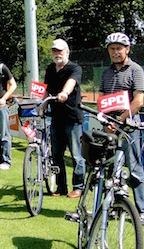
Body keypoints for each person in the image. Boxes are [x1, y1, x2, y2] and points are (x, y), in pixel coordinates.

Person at [99, 32, 144, 225]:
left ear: (127, 49)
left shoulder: (135, 70)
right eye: (112, 49)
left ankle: (143, 211)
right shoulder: (106, 72)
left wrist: (119, 120)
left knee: (134, 169)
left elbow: (138, 101)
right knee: (110, 168)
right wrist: (105, 120)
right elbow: (102, 98)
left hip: (129, 126)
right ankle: (113, 206)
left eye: (119, 48)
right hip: (109, 126)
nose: (115, 52)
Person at [44, 39, 85, 198]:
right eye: (54, 51)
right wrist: (42, 105)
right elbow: (46, 89)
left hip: (72, 118)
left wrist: (64, 93)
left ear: (67, 52)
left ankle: (78, 187)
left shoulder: (75, 68)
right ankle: (61, 187)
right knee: (56, 155)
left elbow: (71, 82)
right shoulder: (50, 69)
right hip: (56, 118)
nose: (57, 54)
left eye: (60, 51)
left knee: (76, 155)